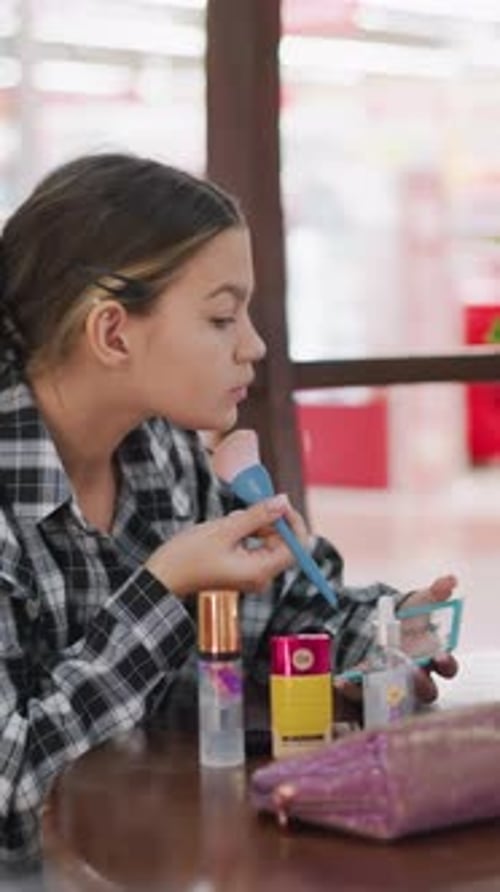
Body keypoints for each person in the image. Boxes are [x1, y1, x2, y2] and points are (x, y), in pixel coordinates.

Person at [0, 152, 457, 863]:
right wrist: (162, 590)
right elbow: (10, 793)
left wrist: (380, 636)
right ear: (113, 333)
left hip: (150, 857)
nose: (255, 345)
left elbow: (281, 618)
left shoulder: (166, 457)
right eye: (222, 317)